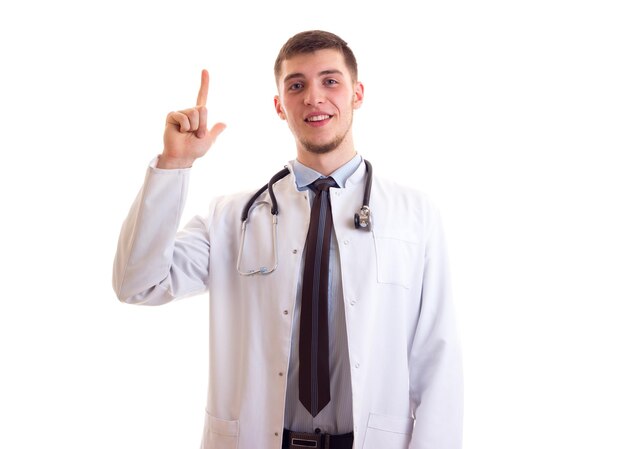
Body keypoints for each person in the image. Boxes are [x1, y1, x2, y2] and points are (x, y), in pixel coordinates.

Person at [113, 30, 463, 449]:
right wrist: (174, 164)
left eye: (330, 81)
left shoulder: (414, 215)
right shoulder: (231, 218)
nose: (313, 97)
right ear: (280, 105)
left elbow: (436, 357)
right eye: (296, 85)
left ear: (358, 93)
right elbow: (137, 284)